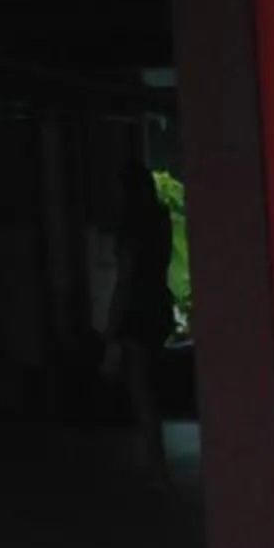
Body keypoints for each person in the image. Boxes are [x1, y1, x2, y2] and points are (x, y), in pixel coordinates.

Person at [105, 158, 173, 483]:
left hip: (138, 308)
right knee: (151, 382)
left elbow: (126, 279)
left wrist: (111, 325)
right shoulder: (161, 219)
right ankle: (155, 452)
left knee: (140, 384)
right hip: (159, 301)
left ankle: (153, 456)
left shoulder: (130, 226)